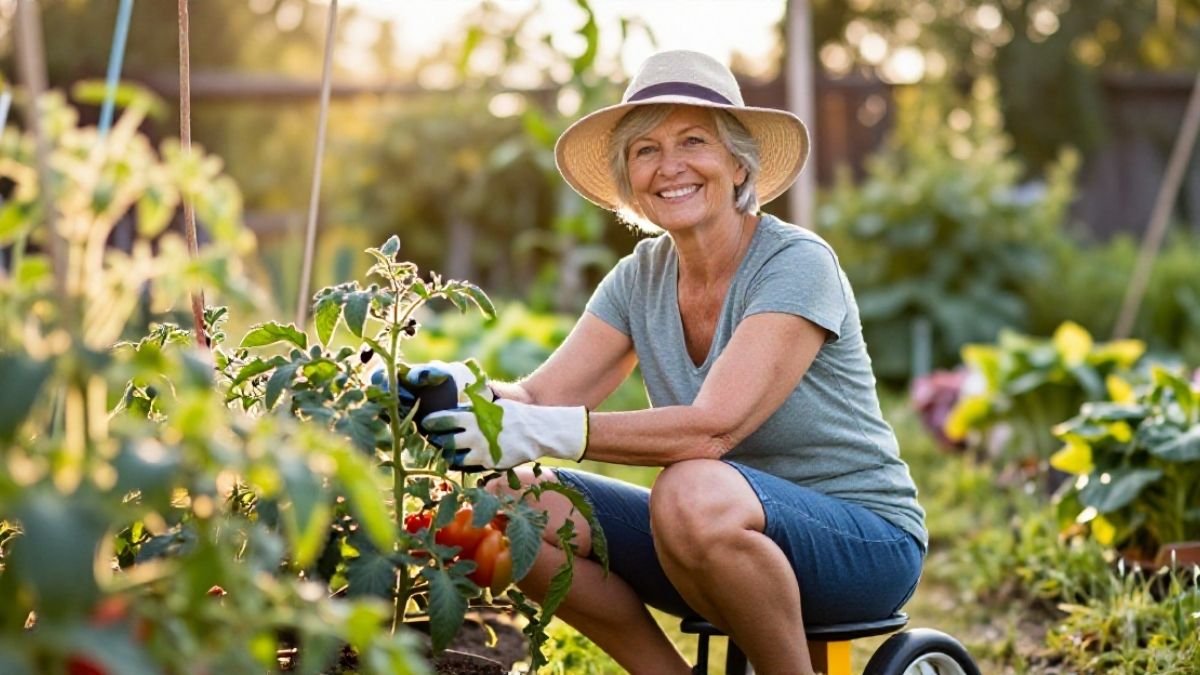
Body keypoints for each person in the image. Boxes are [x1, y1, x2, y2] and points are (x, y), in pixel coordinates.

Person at [407, 50, 927, 675]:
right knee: (507, 502)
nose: (669, 166)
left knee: (689, 483)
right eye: (645, 149)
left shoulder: (796, 263)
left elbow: (715, 428)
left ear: (739, 162)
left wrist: (549, 433)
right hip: (706, 531)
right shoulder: (639, 278)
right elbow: (542, 397)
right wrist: (460, 389)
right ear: (629, 177)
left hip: (860, 542)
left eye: (693, 141)